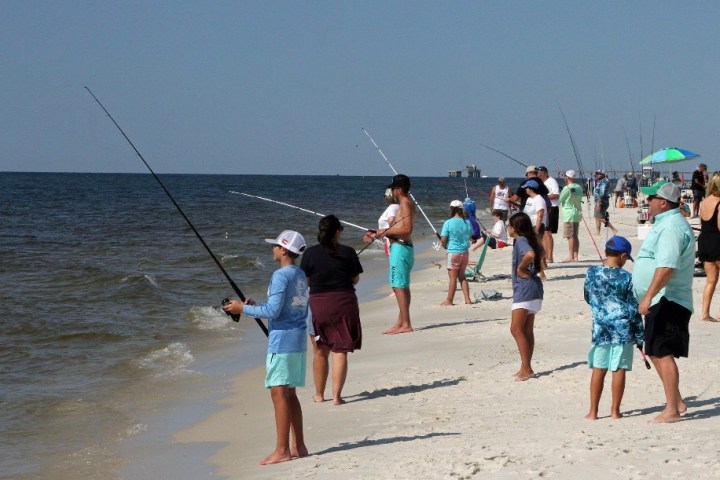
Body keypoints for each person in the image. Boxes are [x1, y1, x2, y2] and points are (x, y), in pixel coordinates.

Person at [223, 230, 309, 464]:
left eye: (274, 246)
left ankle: (282, 450)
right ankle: (298, 446)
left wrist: (242, 309)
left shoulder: (281, 275)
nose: (272, 249)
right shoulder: (300, 274)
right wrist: (255, 306)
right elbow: (283, 307)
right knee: (290, 394)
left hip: (282, 342)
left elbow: (272, 312)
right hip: (298, 340)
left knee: (278, 394)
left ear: (283, 249)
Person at [632, 182, 695, 423]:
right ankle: (676, 400)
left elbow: (667, 267)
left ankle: (672, 410)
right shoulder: (665, 224)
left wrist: (648, 296)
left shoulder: (671, 227)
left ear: (663, 202)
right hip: (661, 297)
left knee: (662, 351)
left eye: (651, 199)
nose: (647, 202)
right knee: (654, 350)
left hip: (668, 298)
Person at [300, 215, 363, 406]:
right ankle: (337, 397)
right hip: (344, 302)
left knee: (320, 350)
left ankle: (319, 394)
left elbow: (306, 281)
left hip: (319, 304)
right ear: (337, 232)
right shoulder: (349, 251)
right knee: (340, 350)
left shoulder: (310, 254)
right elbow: (355, 280)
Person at [583, 236, 644, 420]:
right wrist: (639, 335)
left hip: (600, 329)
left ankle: (593, 412)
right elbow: (634, 309)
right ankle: (615, 411)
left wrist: (600, 309)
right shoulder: (628, 278)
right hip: (622, 330)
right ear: (623, 255)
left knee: (598, 369)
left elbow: (587, 296)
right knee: (618, 369)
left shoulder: (592, 273)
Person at [364, 174, 417, 334]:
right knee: (402, 286)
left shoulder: (406, 203)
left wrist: (383, 231)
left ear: (399, 189)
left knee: (397, 285)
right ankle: (401, 321)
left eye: (393, 188)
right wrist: (379, 232)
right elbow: (399, 227)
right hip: (403, 248)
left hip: (400, 248)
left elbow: (407, 229)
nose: (392, 191)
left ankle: (406, 323)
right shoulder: (406, 204)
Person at [507, 212, 544, 381]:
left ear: (514, 228)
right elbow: (540, 254)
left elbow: (530, 255)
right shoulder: (531, 238)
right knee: (527, 331)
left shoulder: (521, 240)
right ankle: (526, 366)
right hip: (535, 288)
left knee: (515, 329)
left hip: (525, 289)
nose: (508, 228)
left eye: (509, 226)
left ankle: (527, 368)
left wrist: (520, 268)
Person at [440, 200, 473, 306]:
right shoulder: (467, 222)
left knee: (453, 277)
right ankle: (467, 299)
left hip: (453, 253)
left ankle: (449, 300)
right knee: (462, 276)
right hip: (465, 253)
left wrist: (444, 244)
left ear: (451, 209)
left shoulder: (448, 223)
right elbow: (470, 236)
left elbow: (443, 239)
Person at [698, 172, 720, 322]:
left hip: (704, 240)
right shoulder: (719, 202)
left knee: (711, 280)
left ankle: (705, 313)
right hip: (717, 242)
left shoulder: (705, 201)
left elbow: (702, 222)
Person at [559, 170, 583, 262]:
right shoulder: (579, 187)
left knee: (570, 236)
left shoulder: (566, 188)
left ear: (567, 177)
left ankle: (571, 256)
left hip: (569, 213)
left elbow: (560, 200)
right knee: (575, 235)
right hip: (577, 212)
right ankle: (576, 256)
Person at [536, 166, 560, 263]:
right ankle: (545, 255)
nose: (539, 175)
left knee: (548, 233)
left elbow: (556, 195)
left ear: (546, 173)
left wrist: (544, 196)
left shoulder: (551, 181)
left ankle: (550, 256)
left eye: (541, 173)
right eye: (538, 173)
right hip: (545, 209)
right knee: (543, 233)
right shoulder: (542, 183)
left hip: (552, 208)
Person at [593, 170, 617, 235]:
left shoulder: (604, 182)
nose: (597, 175)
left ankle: (613, 229)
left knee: (600, 218)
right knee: (597, 217)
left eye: (599, 174)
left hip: (602, 202)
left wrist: (598, 203)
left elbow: (602, 193)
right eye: (597, 174)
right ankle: (598, 232)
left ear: (603, 175)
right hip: (600, 202)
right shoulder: (600, 181)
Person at [378, 188, 400, 256]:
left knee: (394, 264)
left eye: (385, 196)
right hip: (394, 241)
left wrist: (381, 232)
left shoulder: (392, 207)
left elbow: (391, 221)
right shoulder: (399, 206)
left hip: (392, 242)